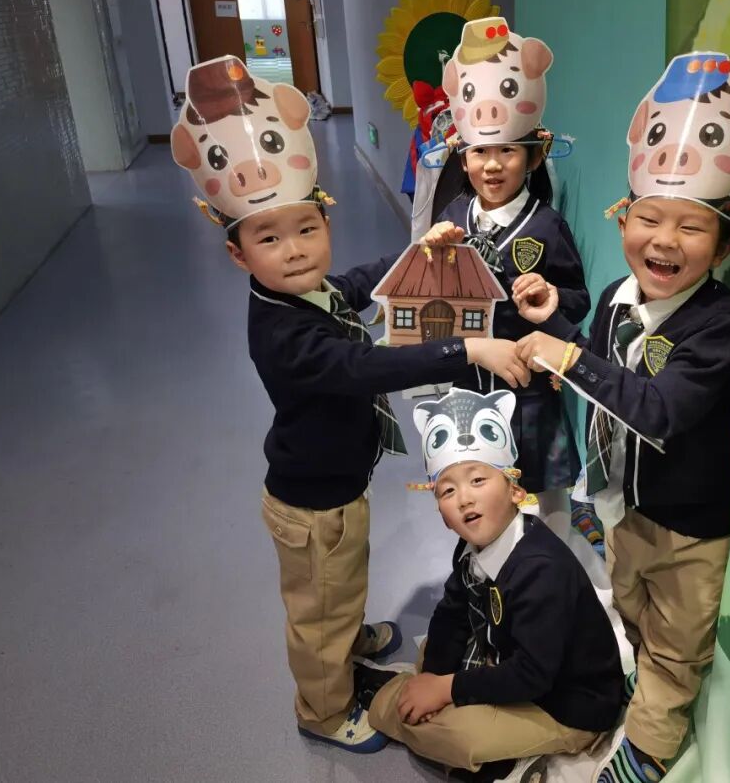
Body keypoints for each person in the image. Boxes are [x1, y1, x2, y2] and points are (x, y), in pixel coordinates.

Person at [170, 55, 529, 753]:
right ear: (238, 254)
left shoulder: (306, 291)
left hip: (338, 483)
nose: (295, 250)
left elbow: (359, 283)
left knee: (340, 583)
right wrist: (468, 349)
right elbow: (365, 366)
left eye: (307, 228)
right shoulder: (283, 334)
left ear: (324, 219)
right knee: (316, 612)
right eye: (269, 238)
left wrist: (419, 249)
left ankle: (348, 636)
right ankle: (324, 708)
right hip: (311, 503)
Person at [513, 51, 730, 782]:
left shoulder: (717, 325)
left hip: (689, 528)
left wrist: (566, 358)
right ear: (623, 217)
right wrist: (559, 323)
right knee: (631, 607)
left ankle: (650, 749)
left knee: (679, 642)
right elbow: (604, 374)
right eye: (648, 217)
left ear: (724, 243)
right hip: (625, 507)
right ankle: (644, 678)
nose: (664, 240)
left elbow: (656, 408)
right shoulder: (620, 298)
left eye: (691, 227)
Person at [363, 388, 623, 781]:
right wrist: (433, 677)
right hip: (505, 654)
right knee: (436, 650)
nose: (464, 499)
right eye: (448, 491)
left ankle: (385, 698)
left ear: (516, 491)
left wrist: (445, 690)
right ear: (442, 514)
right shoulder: (470, 547)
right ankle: (417, 692)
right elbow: (452, 612)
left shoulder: (540, 571)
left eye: (478, 480)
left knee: (457, 737)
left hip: (566, 705)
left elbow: (533, 675)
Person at [421, 17, 590, 533]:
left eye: (507, 151)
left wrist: (551, 293)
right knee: (479, 500)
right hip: (467, 384)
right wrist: (429, 257)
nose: (492, 165)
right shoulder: (451, 215)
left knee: (543, 506)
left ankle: (548, 563)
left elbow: (578, 300)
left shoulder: (547, 225)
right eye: (479, 152)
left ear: (533, 156)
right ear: (463, 156)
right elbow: (430, 300)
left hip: (531, 390)